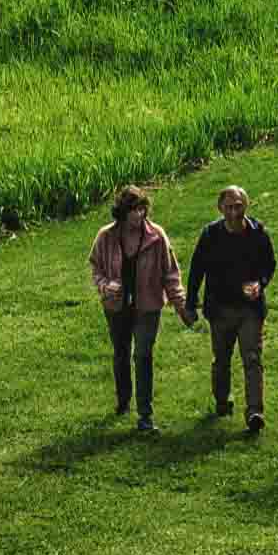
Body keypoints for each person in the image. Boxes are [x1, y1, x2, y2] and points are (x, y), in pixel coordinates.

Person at [186, 181, 278, 434]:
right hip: (220, 309)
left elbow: (269, 264)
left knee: (252, 358)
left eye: (238, 206)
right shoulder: (210, 235)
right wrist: (190, 302)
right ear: (220, 208)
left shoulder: (258, 233)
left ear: (246, 205)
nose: (235, 212)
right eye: (229, 207)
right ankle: (222, 400)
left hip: (250, 309)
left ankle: (254, 411)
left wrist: (260, 284)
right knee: (222, 360)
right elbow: (196, 270)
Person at [86, 183, 176, 430]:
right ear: (122, 212)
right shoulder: (106, 236)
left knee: (143, 355)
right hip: (116, 306)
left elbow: (170, 273)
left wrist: (181, 305)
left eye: (142, 209)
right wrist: (105, 286)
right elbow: (95, 267)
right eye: (134, 210)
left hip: (148, 306)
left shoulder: (156, 236)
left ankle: (145, 415)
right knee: (121, 353)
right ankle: (123, 401)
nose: (139, 215)